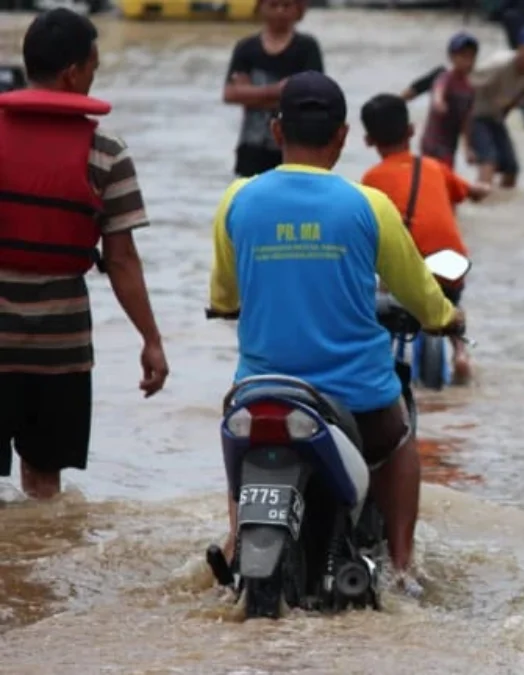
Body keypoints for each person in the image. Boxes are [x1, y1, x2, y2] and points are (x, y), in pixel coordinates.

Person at [208, 71, 465, 578]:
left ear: (277, 130)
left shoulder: (237, 200)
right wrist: (446, 317)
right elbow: (418, 292)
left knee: (236, 431)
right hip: (357, 400)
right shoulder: (369, 206)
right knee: (398, 442)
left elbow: (224, 295)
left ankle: (238, 538)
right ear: (344, 136)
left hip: (262, 391)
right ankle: (403, 566)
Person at [0, 10, 169, 499]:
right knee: (45, 487)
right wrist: (151, 339)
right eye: (94, 67)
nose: (94, 77)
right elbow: (121, 259)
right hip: (61, 348)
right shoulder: (106, 152)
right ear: (74, 72)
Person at [360, 93, 489, 382]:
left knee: (382, 292)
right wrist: (483, 189)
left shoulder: (371, 179)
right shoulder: (434, 167)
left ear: (368, 140)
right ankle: (459, 352)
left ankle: (385, 359)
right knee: (452, 302)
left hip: (406, 271)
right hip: (450, 264)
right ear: (411, 130)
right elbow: (469, 192)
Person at [222, 0, 324, 178]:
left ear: (299, 10)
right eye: (274, 5)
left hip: (293, 150)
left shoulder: (307, 47)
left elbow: (314, 94)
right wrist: (277, 90)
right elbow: (230, 94)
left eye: (286, 6)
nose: (280, 11)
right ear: (261, 7)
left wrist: (251, 93)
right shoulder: (246, 48)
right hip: (251, 147)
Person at [468, 24, 524, 188]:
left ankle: (500, 204)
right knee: (488, 162)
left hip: (495, 118)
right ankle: (481, 200)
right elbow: (466, 85)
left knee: (511, 168)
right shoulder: (499, 65)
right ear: (521, 48)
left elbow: (522, 97)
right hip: (475, 116)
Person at [420, 32, 480, 171]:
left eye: (472, 57)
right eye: (463, 56)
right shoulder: (445, 78)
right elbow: (438, 91)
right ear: (452, 57)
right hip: (431, 142)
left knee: (445, 177)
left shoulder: (469, 88)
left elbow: (466, 121)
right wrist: (439, 102)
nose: (468, 62)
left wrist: (467, 149)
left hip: (449, 145)